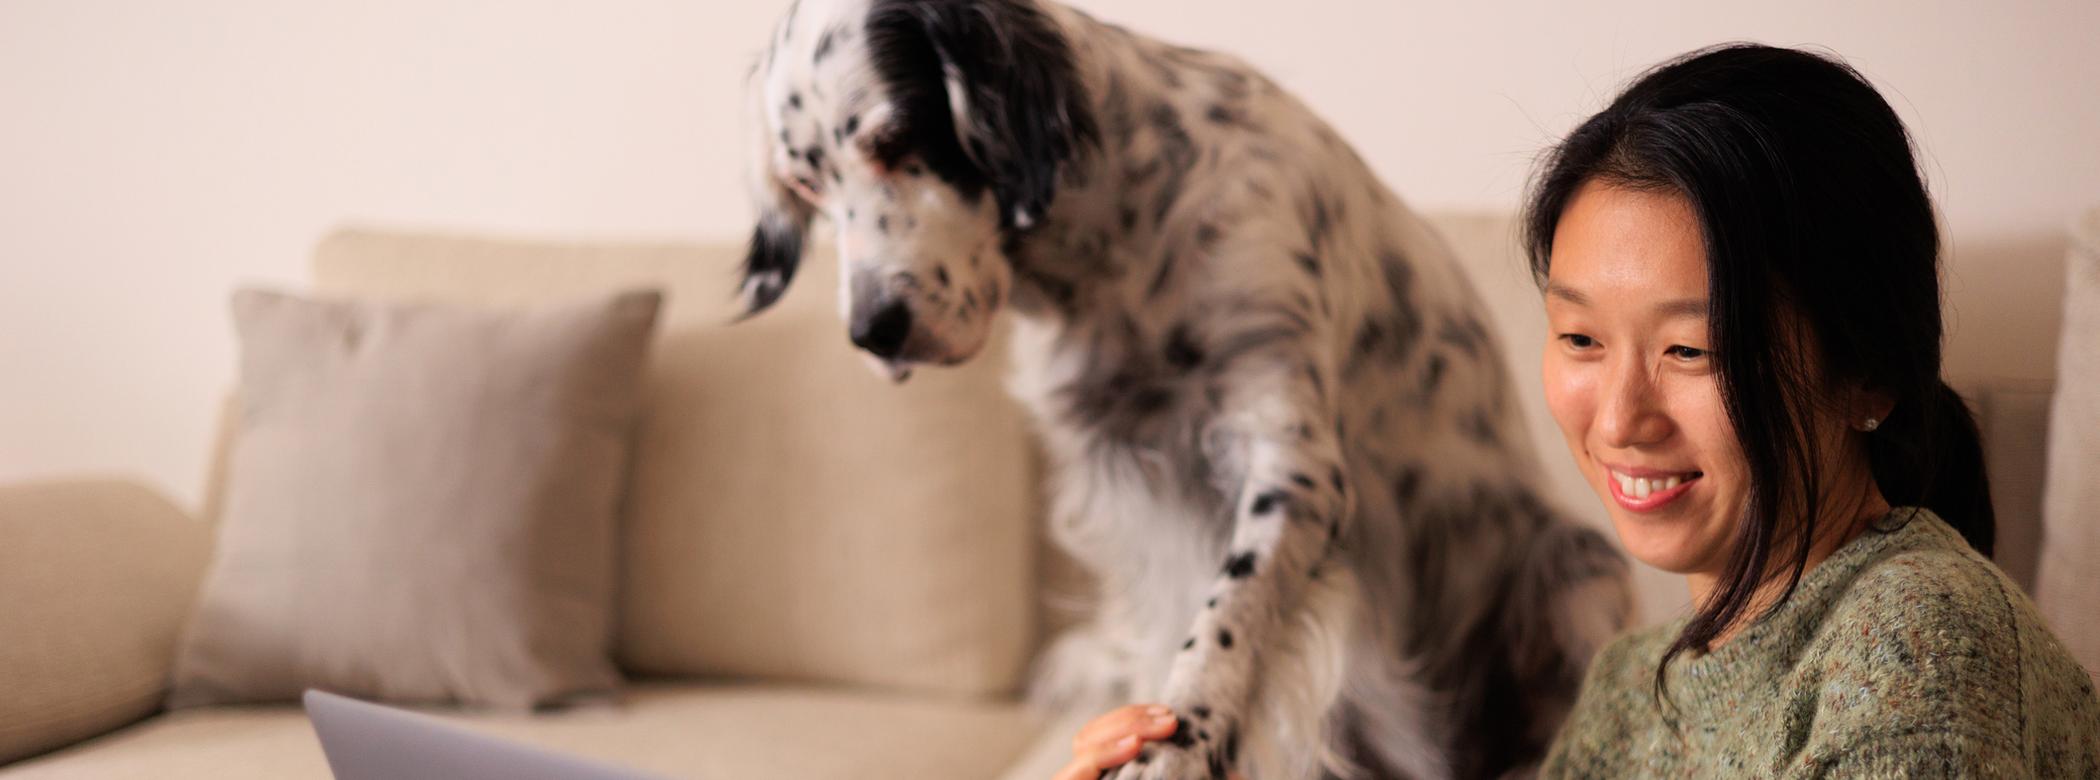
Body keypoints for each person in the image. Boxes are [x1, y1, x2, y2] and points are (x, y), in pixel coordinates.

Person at [1058, 43, 2100, 779]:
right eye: (1581, 340)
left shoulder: (1914, 642)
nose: (1619, 416)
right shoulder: (1632, 683)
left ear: (1867, 375)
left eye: (1692, 350)